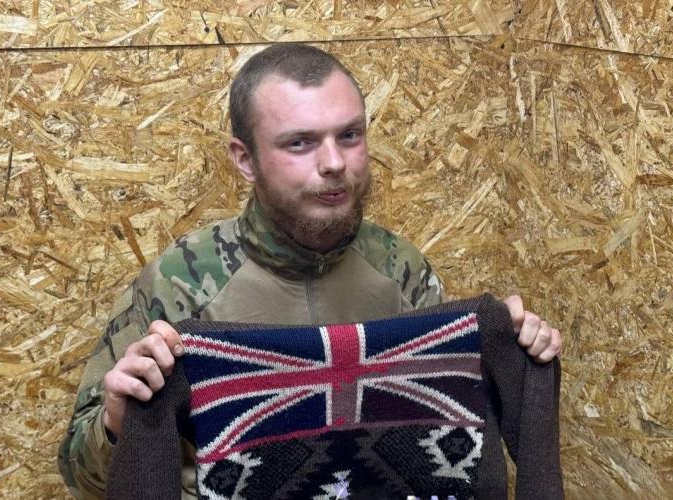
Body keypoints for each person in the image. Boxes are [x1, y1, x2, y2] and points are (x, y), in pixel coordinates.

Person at [58, 43, 561, 498]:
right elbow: (82, 475)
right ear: (245, 159)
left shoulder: (401, 269)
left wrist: (513, 355)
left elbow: (452, 430)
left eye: (350, 135)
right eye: (300, 143)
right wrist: (117, 423)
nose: (334, 162)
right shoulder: (180, 283)